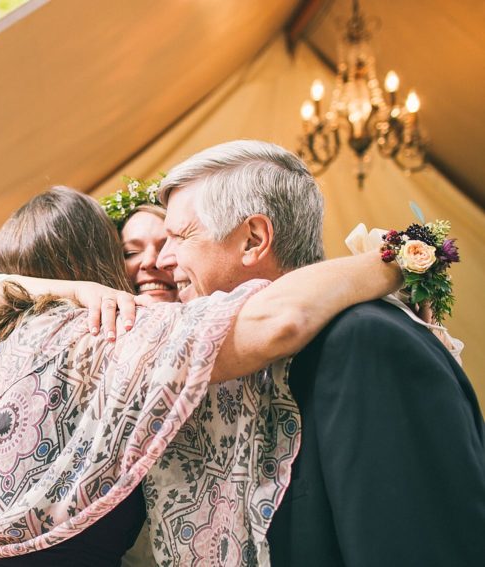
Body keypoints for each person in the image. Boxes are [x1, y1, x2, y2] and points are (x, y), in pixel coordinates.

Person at [0, 185, 402, 566]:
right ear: (99, 263)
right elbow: (277, 320)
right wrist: (397, 259)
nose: (152, 266)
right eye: (126, 253)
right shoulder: (110, 335)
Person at [155, 140, 485, 566]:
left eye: (180, 237)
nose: (163, 260)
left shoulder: (365, 342)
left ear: (253, 239)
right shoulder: (266, 355)